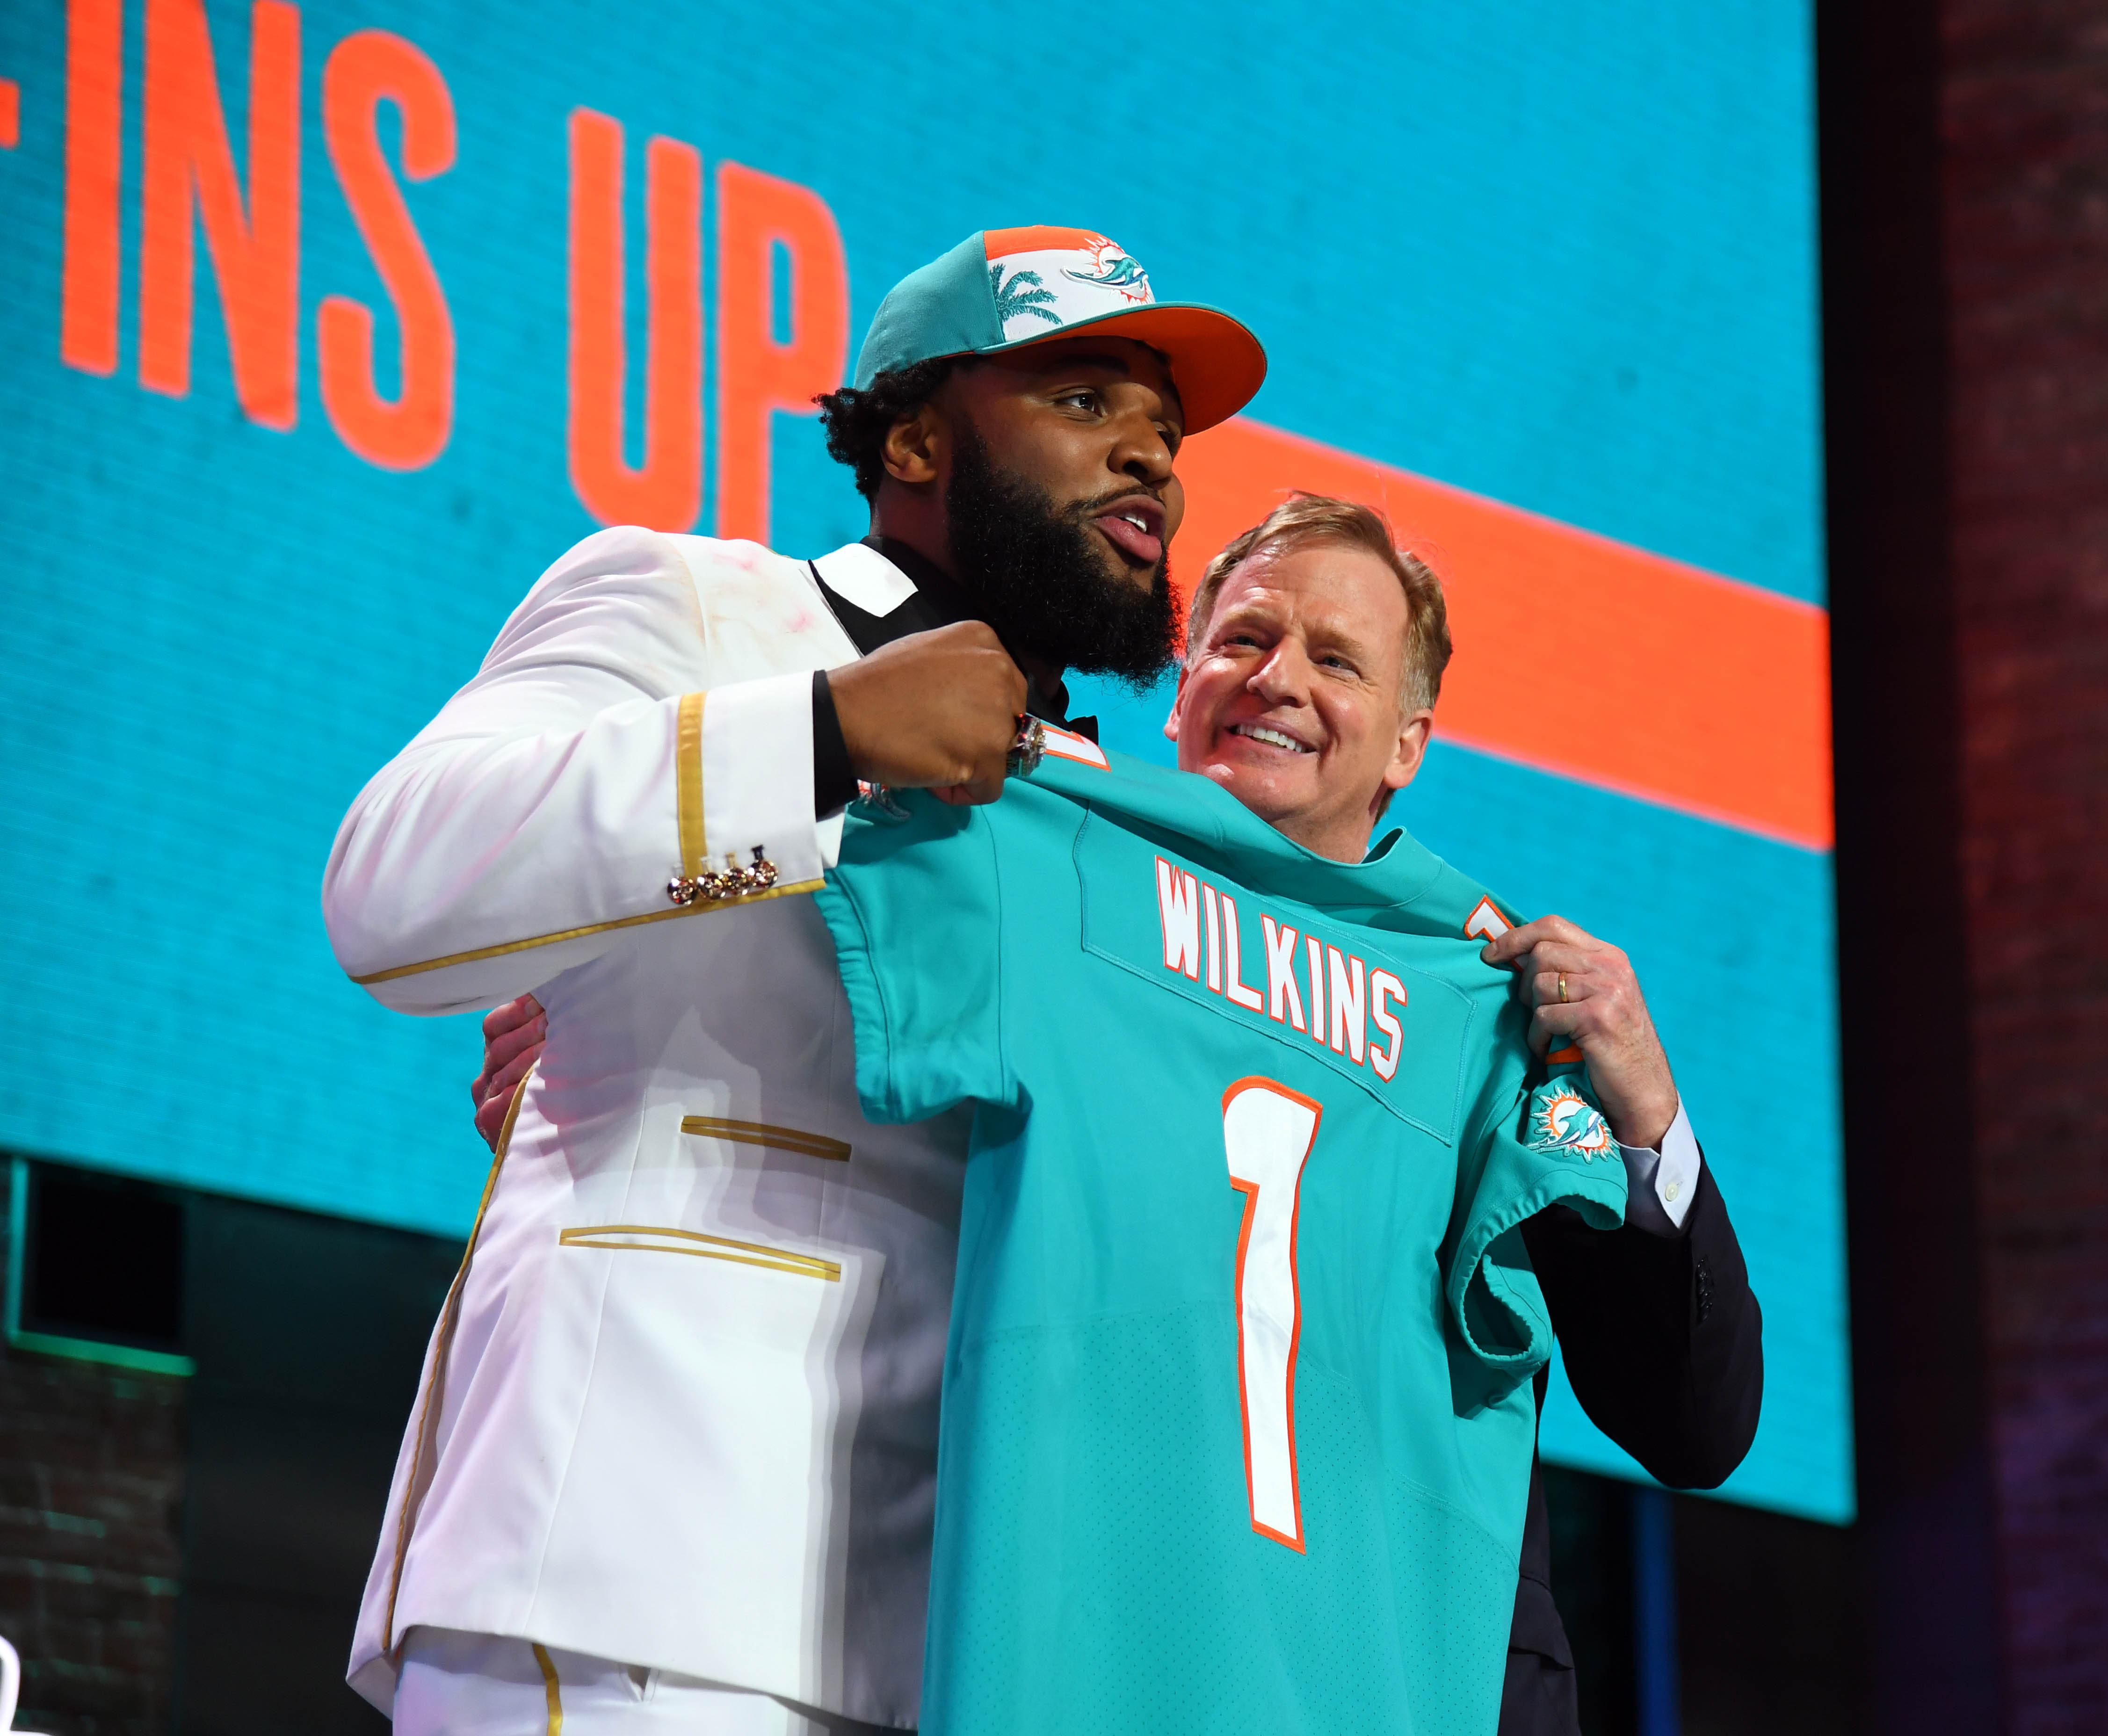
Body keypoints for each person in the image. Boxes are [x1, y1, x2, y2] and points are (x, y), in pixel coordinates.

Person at [470, 492, 1765, 1732]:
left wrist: (1643, 1111)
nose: (1279, 681)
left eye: (1337, 660)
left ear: (1411, 742)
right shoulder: (1064, 877)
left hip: (1407, 1668)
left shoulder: (1489, 1001)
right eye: (1244, 639)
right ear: (1184, 675)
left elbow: (1694, 1426)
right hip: (1101, 1625)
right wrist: (625, 1027)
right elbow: (802, 1000)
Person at [325, 226, 1263, 1736]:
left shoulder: (1115, 816)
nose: (1146, 464)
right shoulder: (699, 607)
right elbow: (393, 892)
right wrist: (821, 737)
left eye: (1163, 438)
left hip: (975, 1637)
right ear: (912, 434)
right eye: (1088, 405)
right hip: (640, 1578)